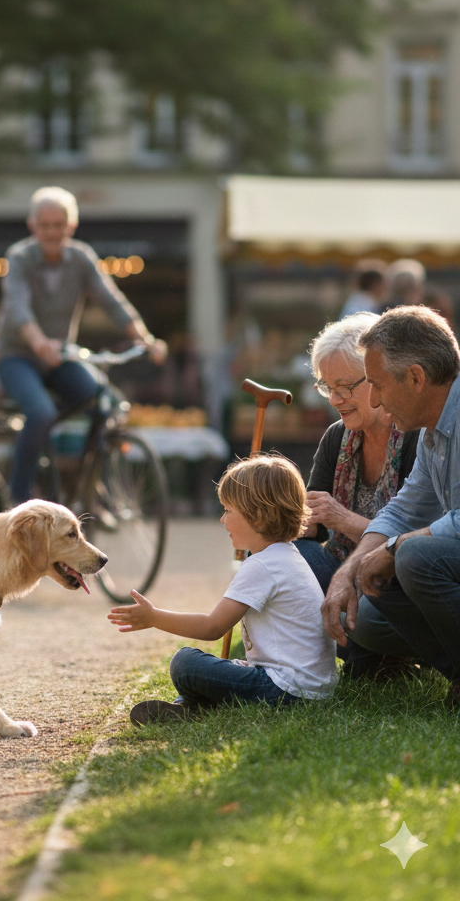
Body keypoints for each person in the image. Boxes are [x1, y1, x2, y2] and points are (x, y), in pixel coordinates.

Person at [110, 455, 338, 725]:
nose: (221, 519)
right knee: (226, 667)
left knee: (186, 662)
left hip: (287, 689)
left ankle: (193, 705)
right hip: (311, 688)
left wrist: (154, 617)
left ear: (259, 517)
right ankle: (188, 708)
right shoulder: (285, 556)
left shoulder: (263, 565)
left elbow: (212, 628)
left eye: (228, 511)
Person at [0, 186, 167, 504]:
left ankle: (90, 482)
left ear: (71, 226)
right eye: (45, 225)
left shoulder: (82, 258)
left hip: (62, 356)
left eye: (59, 225)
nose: (52, 232)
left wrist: (144, 338)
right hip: (18, 356)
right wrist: (38, 341)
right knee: (41, 413)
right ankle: (18, 497)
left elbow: (112, 300)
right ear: (33, 226)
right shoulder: (20, 258)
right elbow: (17, 307)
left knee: (106, 403)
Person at [322, 306, 460, 707]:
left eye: (378, 385)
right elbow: (404, 509)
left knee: (415, 556)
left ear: (416, 377)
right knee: (363, 617)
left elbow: (411, 535)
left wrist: (397, 547)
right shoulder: (433, 430)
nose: (377, 401)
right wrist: (348, 572)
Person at [295, 313, 420, 676]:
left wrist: (343, 520)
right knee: (288, 556)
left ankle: (376, 659)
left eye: (345, 386)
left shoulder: (414, 435)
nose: (335, 399)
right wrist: (283, 522)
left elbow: (415, 542)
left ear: (376, 376)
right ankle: (371, 661)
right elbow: (313, 526)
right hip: (342, 570)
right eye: (327, 387)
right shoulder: (337, 436)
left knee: (373, 605)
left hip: (394, 583)